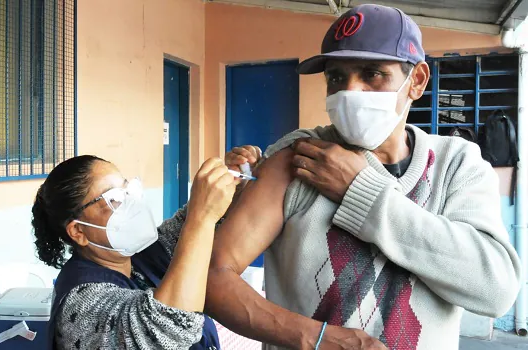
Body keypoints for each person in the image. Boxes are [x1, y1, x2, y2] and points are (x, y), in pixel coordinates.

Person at [204, 4, 522, 350]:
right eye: (337, 77)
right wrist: (318, 339)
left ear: (416, 81)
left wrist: (363, 193)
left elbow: (495, 289)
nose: (350, 91)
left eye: (372, 74)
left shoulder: (455, 164)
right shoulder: (299, 158)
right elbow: (212, 276)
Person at [31, 146, 261, 350]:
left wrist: (234, 184)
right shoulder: (80, 303)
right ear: (78, 232)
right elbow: (166, 329)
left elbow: (192, 230)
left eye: (127, 189)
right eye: (115, 198)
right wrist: (201, 217)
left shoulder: (141, 254)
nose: (131, 203)